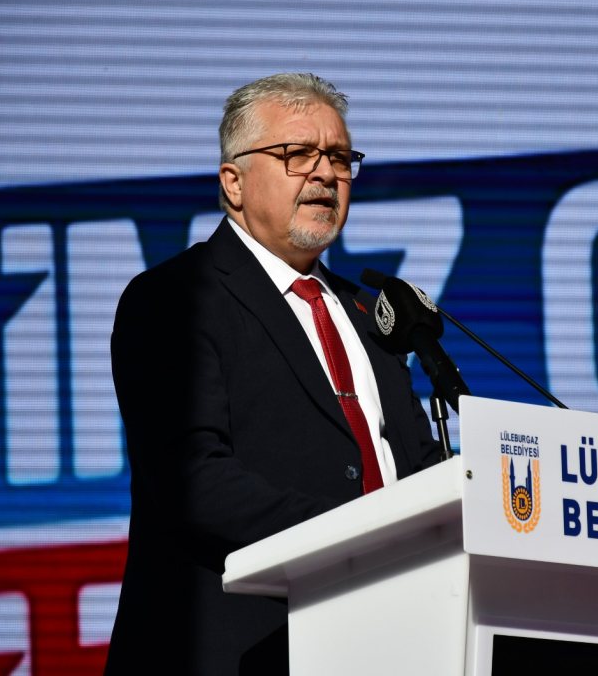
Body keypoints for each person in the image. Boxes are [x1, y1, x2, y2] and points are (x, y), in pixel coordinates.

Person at [104, 73, 442, 675]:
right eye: (297, 154)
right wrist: (365, 538)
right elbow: (196, 483)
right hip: (241, 650)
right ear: (233, 182)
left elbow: (415, 467)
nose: (325, 174)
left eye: (339, 157)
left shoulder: (369, 314)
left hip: (388, 640)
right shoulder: (175, 298)